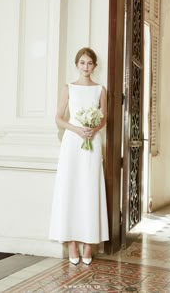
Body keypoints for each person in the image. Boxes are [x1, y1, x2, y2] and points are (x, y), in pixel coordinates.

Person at [49, 47, 109, 265]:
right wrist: (77, 130)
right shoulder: (69, 88)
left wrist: (94, 129)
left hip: (92, 143)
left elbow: (104, 119)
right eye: (82, 62)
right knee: (71, 188)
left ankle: (89, 244)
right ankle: (72, 243)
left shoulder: (100, 89)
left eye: (90, 63)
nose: (86, 66)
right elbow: (58, 118)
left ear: (95, 66)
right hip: (72, 143)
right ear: (77, 65)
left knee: (90, 189)